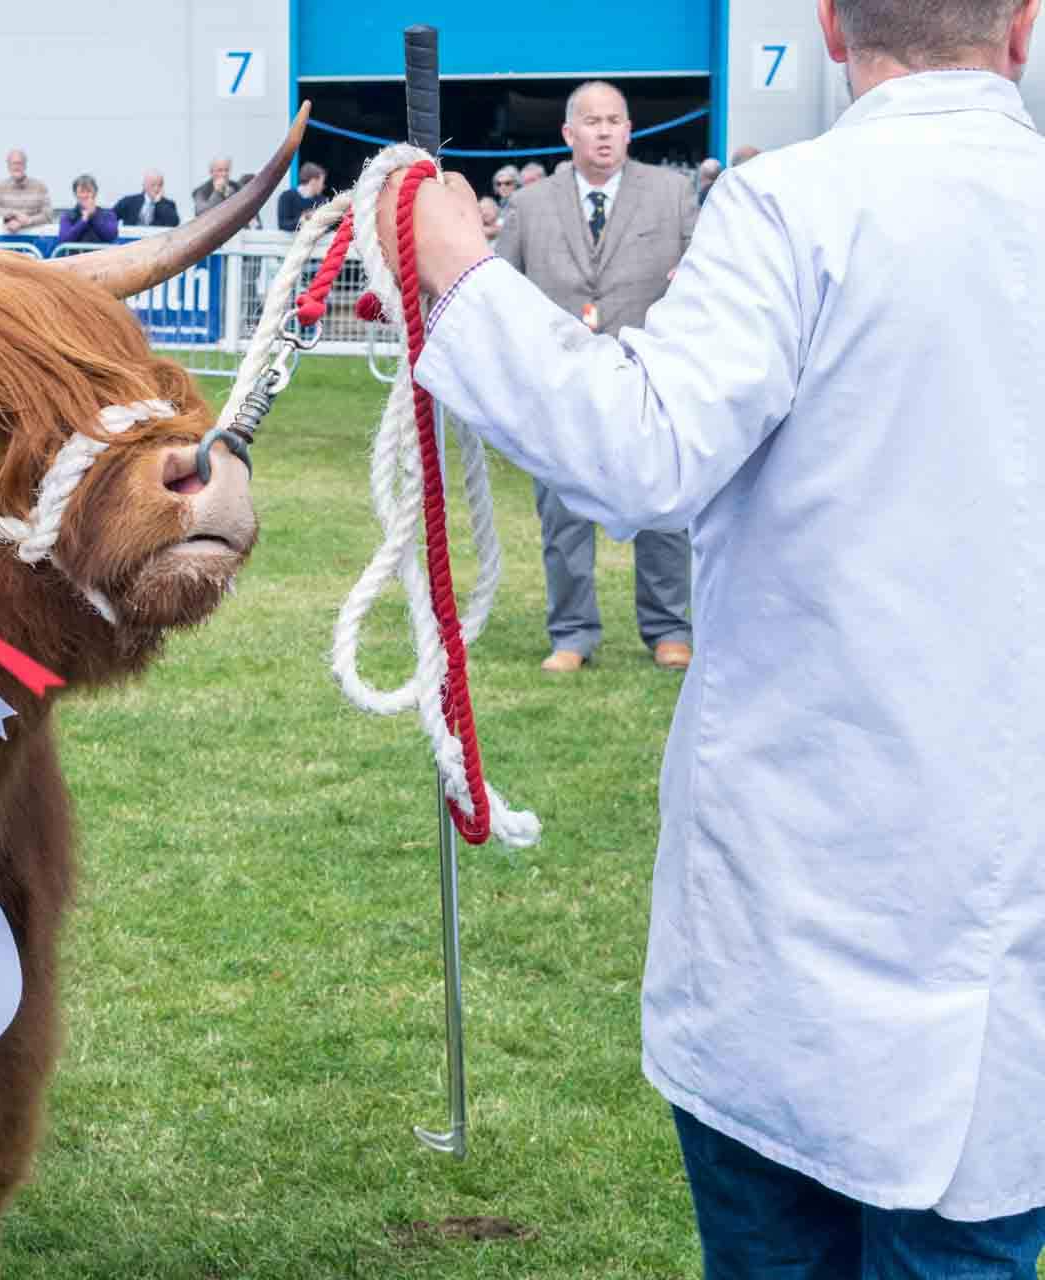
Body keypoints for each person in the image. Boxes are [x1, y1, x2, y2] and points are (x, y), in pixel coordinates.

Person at [382, 0, 1045, 1273]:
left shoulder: (797, 203)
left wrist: (459, 274)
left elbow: (639, 450)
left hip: (796, 924)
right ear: (1021, 27)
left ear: (832, 24)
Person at [492, 81, 696, 674]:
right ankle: (572, 635)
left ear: (629, 131)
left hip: (649, 379)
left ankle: (668, 630)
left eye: (615, 121)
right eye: (592, 121)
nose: (604, 131)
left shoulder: (673, 194)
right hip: (560, 386)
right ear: (568, 134)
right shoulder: (528, 205)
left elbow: (703, 276)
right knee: (562, 518)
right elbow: (501, 288)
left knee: (663, 511)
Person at [0, 148, 53, 232]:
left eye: (20, 163)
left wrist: (28, 221)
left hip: (34, 238)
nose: (16, 166)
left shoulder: (40, 187)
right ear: (8, 166)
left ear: (25, 165)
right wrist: (13, 215)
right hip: (7, 237)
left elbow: (48, 215)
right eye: (13, 163)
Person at [53, 174, 118, 250]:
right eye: (81, 192)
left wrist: (94, 216)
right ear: (76, 194)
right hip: (75, 259)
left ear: (95, 193)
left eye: (89, 191)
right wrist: (83, 220)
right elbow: (64, 240)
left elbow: (111, 236)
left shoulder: (108, 215)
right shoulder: (67, 216)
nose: (85, 195)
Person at [112, 170, 180, 227]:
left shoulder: (168, 205)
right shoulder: (129, 202)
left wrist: (159, 203)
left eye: (160, 185)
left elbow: (174, 223)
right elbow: (110, 217)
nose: (156, 188)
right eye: (153, 184)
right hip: (132, 240)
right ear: (144, 185)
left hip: (156, 240)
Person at [278, 162, 329, 231]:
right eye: (321, 182)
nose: (323, 186)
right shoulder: (286, 197)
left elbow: (330, 226)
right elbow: (282, 224)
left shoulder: (323, 201)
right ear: (313, 181)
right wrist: (302, 221)